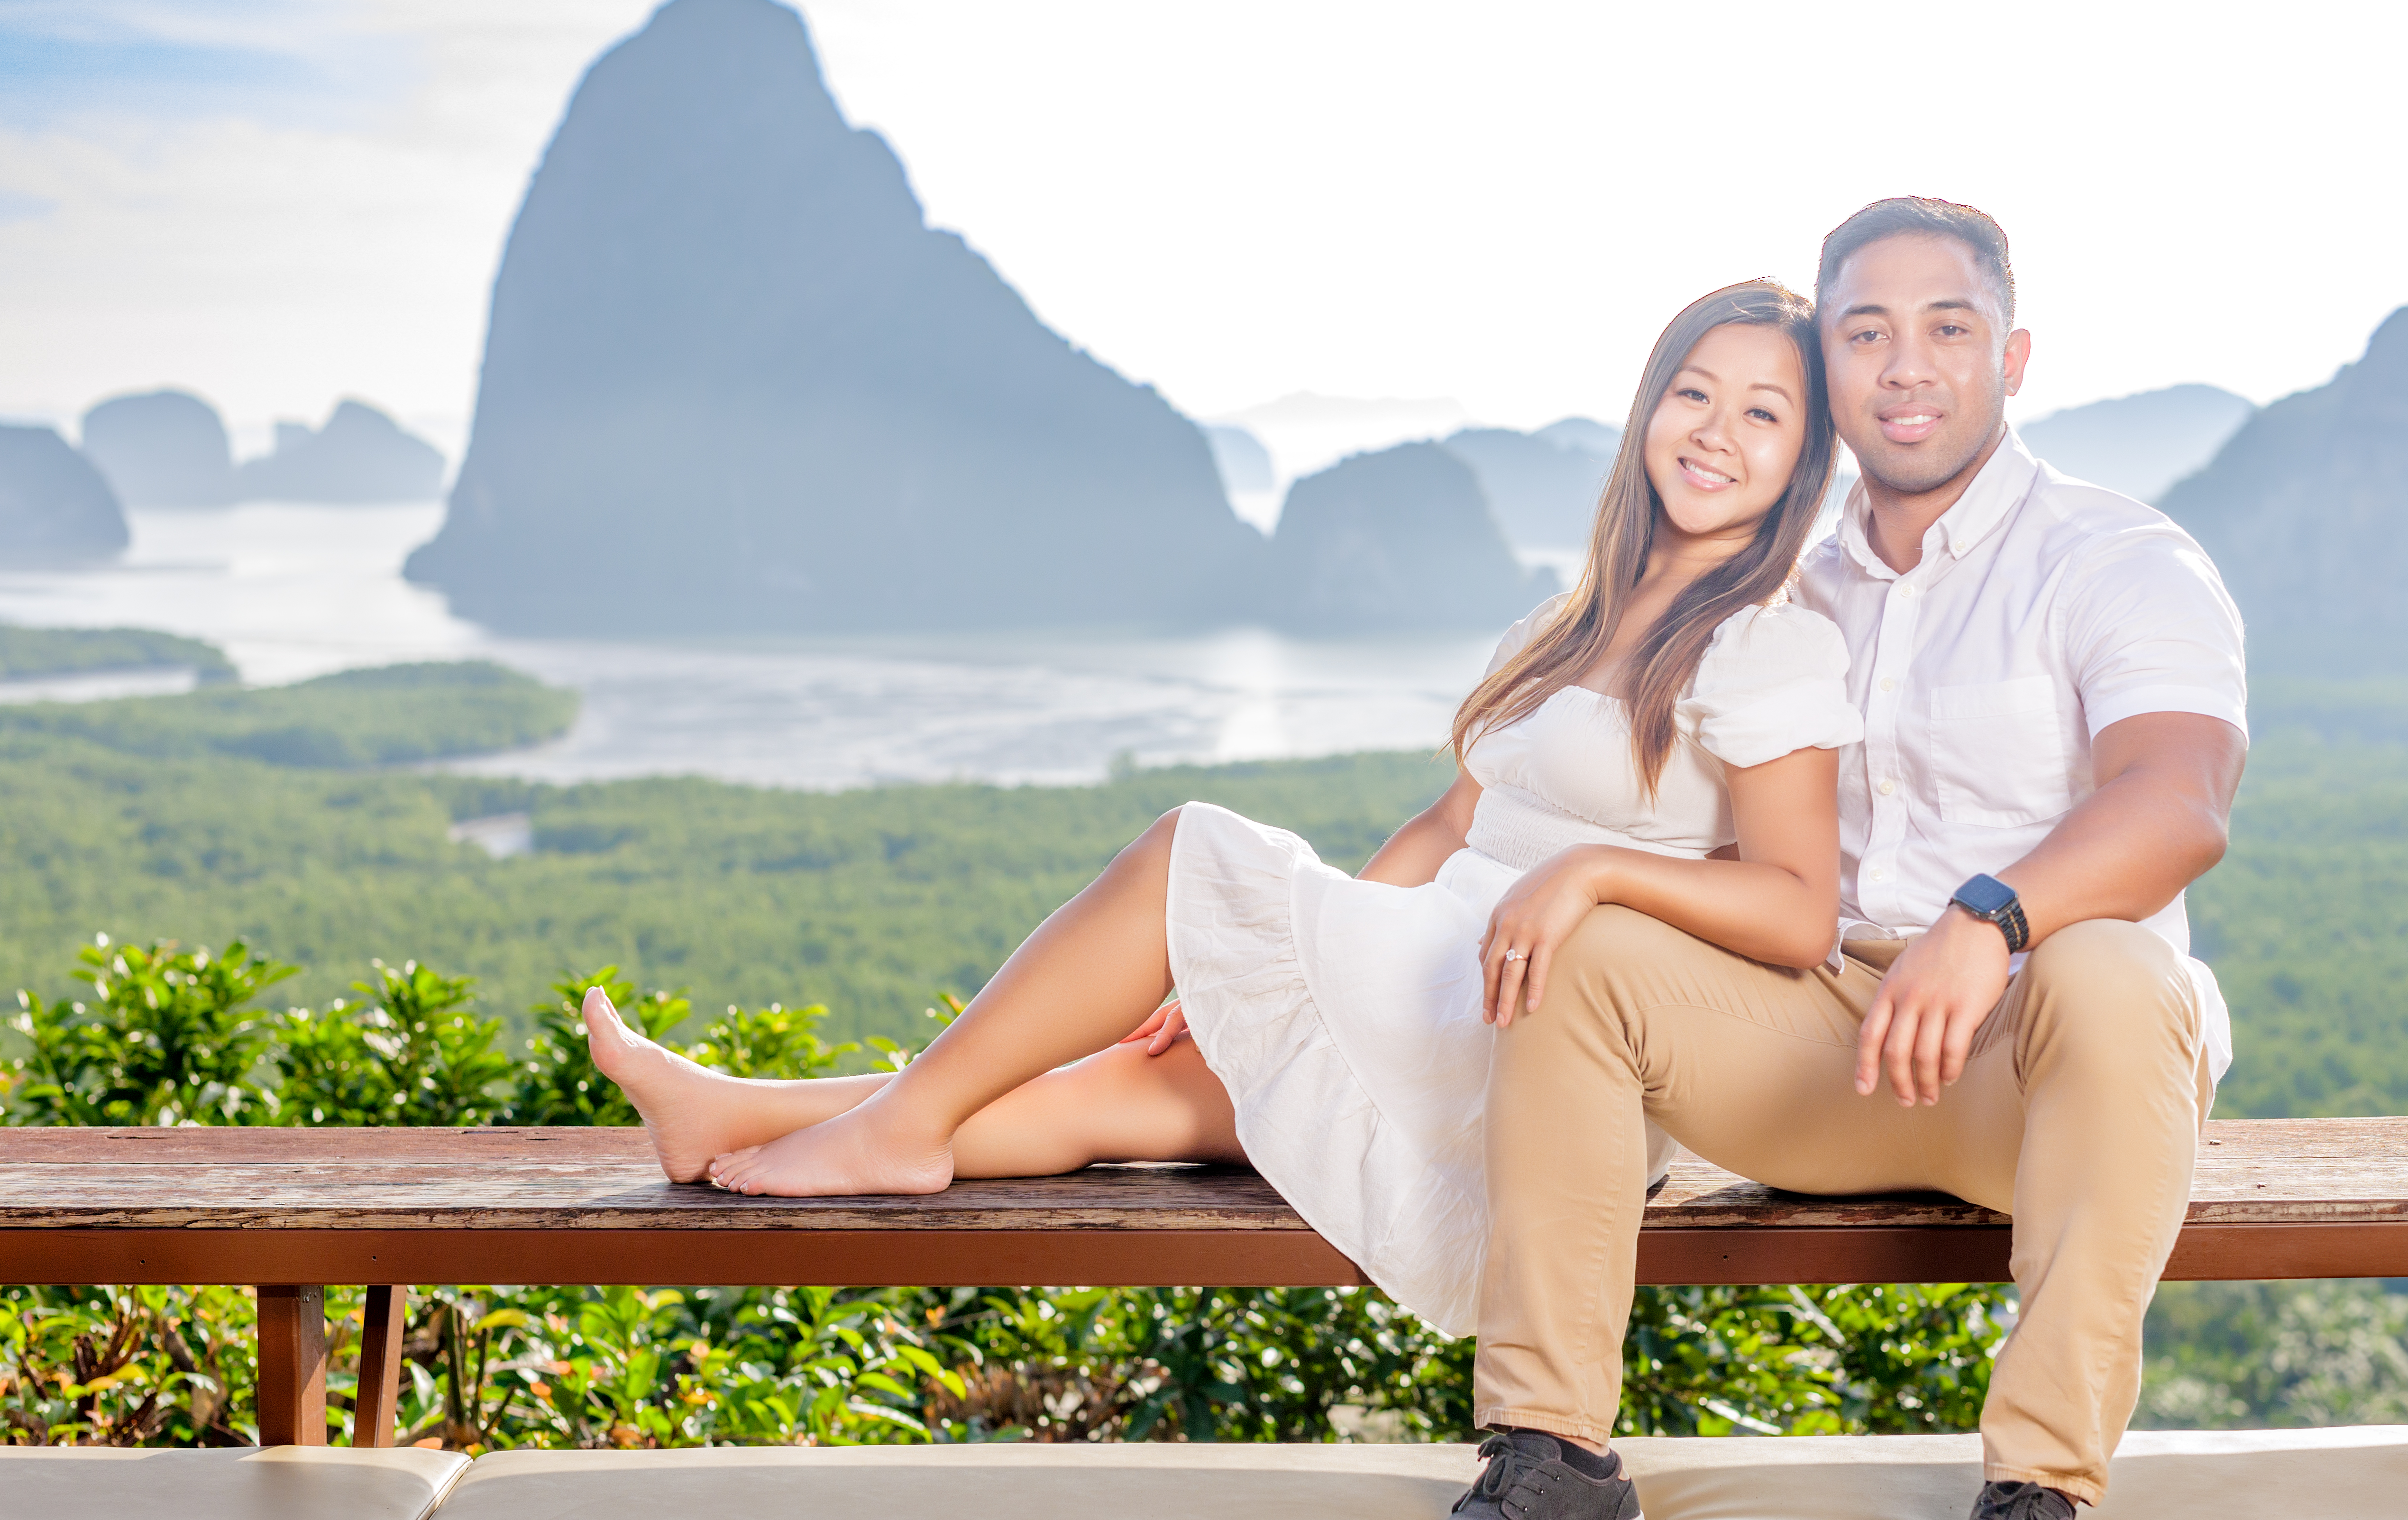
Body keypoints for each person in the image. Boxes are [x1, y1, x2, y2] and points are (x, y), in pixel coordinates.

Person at [577, 279, 1864, 1414]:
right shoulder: (1569, 618)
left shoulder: (1764, 640)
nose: (1715, 430)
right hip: (1435, 970)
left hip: (1547, 1029)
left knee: (1186, 845)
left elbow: (1799, 911)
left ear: (1803, 459)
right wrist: (1291, 972)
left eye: (1762, 413)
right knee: (1110, 1100)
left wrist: (1588, 872)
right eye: (1693, 392)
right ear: (1646, 410)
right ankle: (731, 1116)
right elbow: (1447, 826)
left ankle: (885, 1126)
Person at [1409, 198, 2248, 1520]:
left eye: (1947, 328)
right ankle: (1549, 1457)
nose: (1905, 365)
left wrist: (1992, 917)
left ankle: (2035, 1494)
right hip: (1822, 1051)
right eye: (1865, 331)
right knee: (1583, 939)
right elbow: (1552, 805)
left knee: (2113, 963)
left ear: (2013, 354)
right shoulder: (1770, 590)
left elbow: (2178, 802)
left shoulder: (2118, 556)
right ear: (1830, 366)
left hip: (2048, 1066)